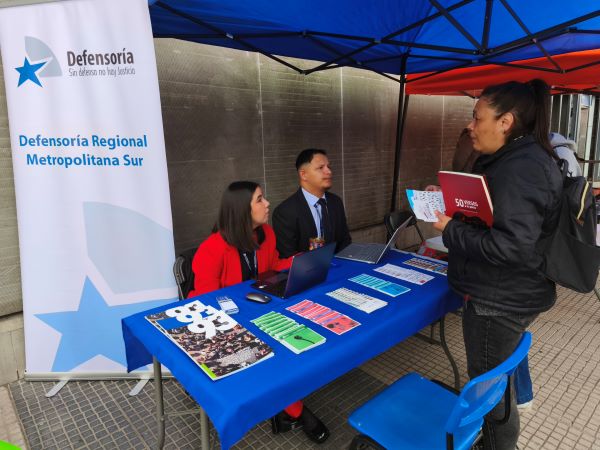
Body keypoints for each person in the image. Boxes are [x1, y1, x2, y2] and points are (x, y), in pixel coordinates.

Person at [433, 79, 562, 450]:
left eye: (477, 118)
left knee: (491, 396)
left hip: (498, 301)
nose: (470, 127)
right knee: (494, 385)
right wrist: (450, 204)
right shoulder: (521, 158)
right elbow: (501, 217)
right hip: (508, 293)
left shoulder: (522, 168)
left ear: (505, 122)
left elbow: (511, 247)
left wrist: (451, 229)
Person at [189, 181, 330, 444]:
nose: (267, 204)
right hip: (222, 320)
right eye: (259, 199)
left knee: (298, 337)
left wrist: (303, 260)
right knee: (272, 353)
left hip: (258, 308)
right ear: (242, 210)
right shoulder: (212, 248)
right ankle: (295, 409)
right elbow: (206, 300)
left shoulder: (265, 233)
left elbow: (274, 265)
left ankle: (284, 403)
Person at [273, 148, 351, 258]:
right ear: (303, 175)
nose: (329, 171)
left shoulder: (336, 202)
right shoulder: (285, 212)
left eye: (328, 167)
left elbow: (345, 242)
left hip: (339, 267)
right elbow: (288, 256)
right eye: (321, 168)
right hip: (306, 272)